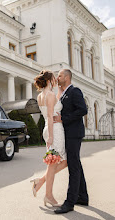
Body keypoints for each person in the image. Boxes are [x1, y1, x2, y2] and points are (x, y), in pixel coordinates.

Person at [53, 69, 89, 214]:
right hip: (68, 134)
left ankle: (69, 203)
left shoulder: (75, 91)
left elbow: (83, 110)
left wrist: (64, 119)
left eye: (60, 75)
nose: (57, 77)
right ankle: (83, 197)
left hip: (74, 134)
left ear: (67, 78)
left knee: (73, 167)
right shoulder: (63, 93)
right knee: (76, 164)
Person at [31, 70, 68, 207]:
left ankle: (40, 182)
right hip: (55, 130)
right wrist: (51, 136)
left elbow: (48, 113)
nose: (55, 80)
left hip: (48, 127)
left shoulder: (41, 95)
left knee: (58, 162)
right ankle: (48, 196)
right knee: (55, 163)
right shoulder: (50, 95)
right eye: (53, 79)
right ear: (48, 81)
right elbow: (52, 115)